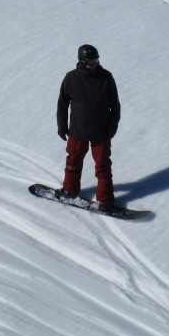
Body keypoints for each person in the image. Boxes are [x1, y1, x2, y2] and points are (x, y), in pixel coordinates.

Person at [56, 44, 121, 212]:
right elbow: (62, 104)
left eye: (97, 60)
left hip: (101, 131)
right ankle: (69, 191)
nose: (95, 64)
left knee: (103, 166)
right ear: (82, 62)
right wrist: (62, 126)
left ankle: (105, 199)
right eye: (92, 61)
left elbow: (115, 105)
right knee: (73, 162)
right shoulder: (71, 78)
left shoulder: (106, 77)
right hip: (78, 130)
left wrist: (112, 126)